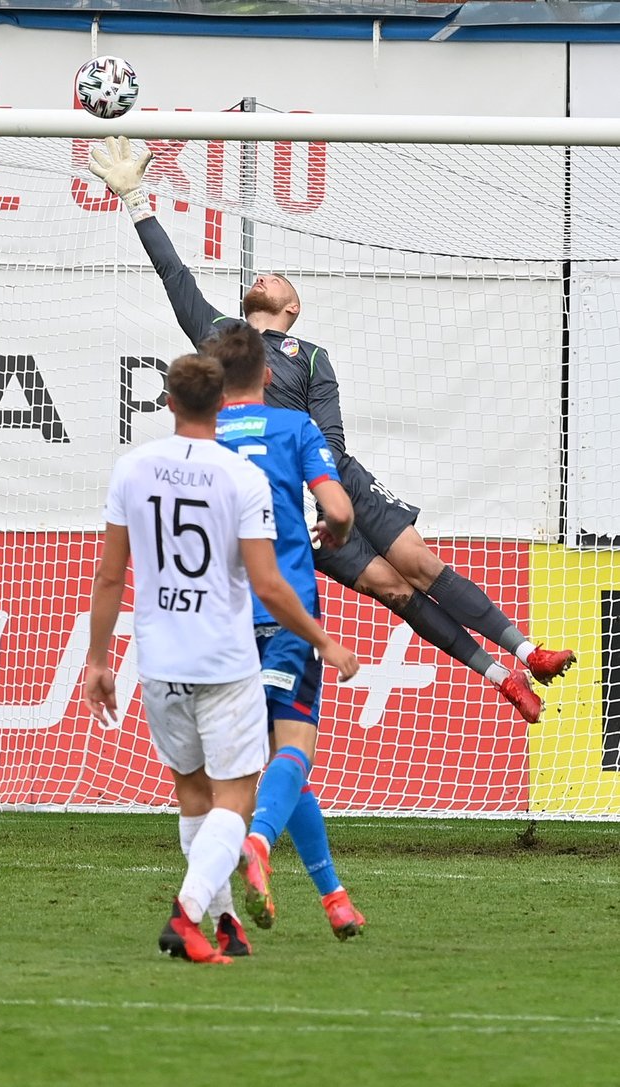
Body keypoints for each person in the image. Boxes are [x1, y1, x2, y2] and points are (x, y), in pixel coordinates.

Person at [89, 136, 576, 727]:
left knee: (419, 566)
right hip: (277, 506)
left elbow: (332, 436)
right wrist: (135, 198)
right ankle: (503, 678)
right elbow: (174, 275)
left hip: (333, 481)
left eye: (279, 280)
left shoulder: (312, 356)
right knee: (395, 592)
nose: (266, 274)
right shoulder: (219, 334)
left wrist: (327, 492)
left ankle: (529, 650)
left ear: (292, 308)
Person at [83, 352, 359, 965]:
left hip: (158, 658)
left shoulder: (133, 467)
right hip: (225, 656)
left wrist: (98, 660)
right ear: (233, 395)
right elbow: (268, 585)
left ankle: (227, 921)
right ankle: (188, 914)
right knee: (238, 799)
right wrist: (322, 639)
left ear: (171, 403)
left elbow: (108, 577)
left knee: (192, 795)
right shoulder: (241, 477)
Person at [206, 322, 365, 941]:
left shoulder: (200, 439)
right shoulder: (294, 427)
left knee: (275, 762)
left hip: (219, 621)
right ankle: (257, 840)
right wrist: (340, 534)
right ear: (269, 376)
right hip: (289, 610)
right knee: (296, 747)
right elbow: (341, 509)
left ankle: (336, 900)